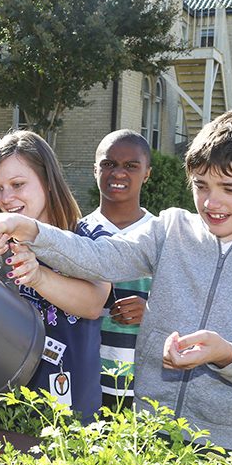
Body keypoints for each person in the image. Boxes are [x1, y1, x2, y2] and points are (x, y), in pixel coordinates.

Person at [0, 110, 232, 452]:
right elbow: (97, 257)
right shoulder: (171, 229)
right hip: (150, 428)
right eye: (201, 185)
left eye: (230, 189)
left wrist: (226, 355)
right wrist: (26, 228)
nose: (211, 203)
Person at [0, 131, 110, 424]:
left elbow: (95, 301)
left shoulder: (89, 237)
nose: (6, 198)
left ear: (47, 181)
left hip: (70, 415)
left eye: (18, 184)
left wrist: (38, 277)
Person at [80, 130, 155, 412]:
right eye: (108, 164)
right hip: (84, 377)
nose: (118, 173)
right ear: (95, 170)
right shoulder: (77, 234)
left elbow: (185, 306)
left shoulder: (163, 236)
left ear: (147, 173)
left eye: (131, 166)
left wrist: (151, 310)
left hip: (143, 384)